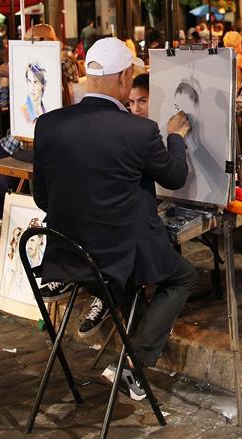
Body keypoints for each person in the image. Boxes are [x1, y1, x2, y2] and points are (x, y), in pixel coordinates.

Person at [35, 37, 194, 400]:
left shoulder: (48, 124)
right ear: (124, 78)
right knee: (184, 277)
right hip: (121, 254)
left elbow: (43, 196)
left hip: (70, 256)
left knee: (124, 283)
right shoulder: (139, 131)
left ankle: (131, 360)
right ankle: (135, 366)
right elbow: (174, 176)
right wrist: (176, 136)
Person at [0, 24, 81, 219]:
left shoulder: (63, 62)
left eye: (39, 41)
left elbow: (65, 68)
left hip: (48, 144)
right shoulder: (16, 66)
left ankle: (24, 223)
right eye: (27, 41)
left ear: (53, 42)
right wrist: (6, 74)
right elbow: (2, 101)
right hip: (16, 140)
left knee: (5, 184)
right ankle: (9, 219)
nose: (31, 45)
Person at [79, 71, 151, 338]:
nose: (135, 109)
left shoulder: (148, 132)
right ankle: (108, 295)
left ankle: (111, 297)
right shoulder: (126, 131)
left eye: (142, 101)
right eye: (131, 103)